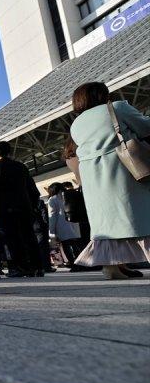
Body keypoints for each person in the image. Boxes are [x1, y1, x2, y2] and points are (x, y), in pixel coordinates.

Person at [69, 82, 150, 279]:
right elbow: (145, 127)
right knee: (140, 213)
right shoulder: (117, 108)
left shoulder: (76, 123)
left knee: (106, 222)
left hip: (92, 175)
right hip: (120, 168)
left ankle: (113, 267)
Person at [0, 141, 43, 277]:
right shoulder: (21, 166)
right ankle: (37, 267)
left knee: (13, 239)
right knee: (29, 236)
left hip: (7, 209)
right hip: (25, 206)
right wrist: (33, 205)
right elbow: (32, 188)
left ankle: (20, 267)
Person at [47, 182, 84, 270]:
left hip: (62, 226)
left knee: (66, 246)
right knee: (76, 245)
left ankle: (73, 264)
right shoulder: (70, 195)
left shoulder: (52, 199)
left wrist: (51, 231)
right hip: (74, 223)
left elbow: (52, 216)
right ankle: (81, 263)